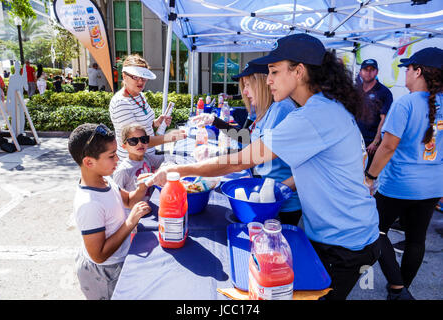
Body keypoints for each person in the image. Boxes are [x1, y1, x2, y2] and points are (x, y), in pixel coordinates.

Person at [150, 33, 380, 300]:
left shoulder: (314, 115)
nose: (268, 79)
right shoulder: (323, 107)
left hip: (345, 242)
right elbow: (317, 168)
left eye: (274, 71)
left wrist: (182, 171)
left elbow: (242, 159)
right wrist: (282, 186)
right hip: (334, 232)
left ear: (299, 71)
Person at [364, 47, 443, 300]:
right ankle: (402, 288)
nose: (405, 74)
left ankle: (398, 287)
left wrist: (370, 177)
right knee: (416, 239)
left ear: (418, 71)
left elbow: (388, 146)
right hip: (433, 186)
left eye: (408, 68)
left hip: (399, 184)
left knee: (374, 231)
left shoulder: (405, 103)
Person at [192, 61, 302, 225]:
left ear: (262, 84)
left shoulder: (281, 109)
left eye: (248, 85)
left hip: (282, 204)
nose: (244, 91)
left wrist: (212, 160)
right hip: (266, 196)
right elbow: (246, 138)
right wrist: (215, 121)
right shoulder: (261, 110)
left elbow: (252, 155)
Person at [68, 123, 153, 300]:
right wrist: (130, 222)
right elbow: (99, 255)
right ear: (89, 162)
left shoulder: (105, 180)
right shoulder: (89, 204)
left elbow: (129, 200)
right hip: (104, 273)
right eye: (111, 156)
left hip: (116, 262)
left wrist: (143, 185)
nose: (117, 160)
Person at [108, 54, 186, 168]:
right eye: (135, 77)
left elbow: (142, 126)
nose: (141, 81)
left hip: (147, 157)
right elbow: (136, 140)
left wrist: (156, 122)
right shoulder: (121, 103)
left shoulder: (139, 95)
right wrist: (170, 137)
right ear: (124, 76)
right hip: (132, 164)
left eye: (144, 77)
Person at [356, 59, 393, 170]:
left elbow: (384, 119)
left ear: (377, 72)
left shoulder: (384, 92)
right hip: (355, 139)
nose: (368, 72)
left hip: (370, 144)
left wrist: (376, 142)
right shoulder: (355, 89)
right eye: (365, 70)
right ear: (360, 72)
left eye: (372, 70)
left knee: (368, 175)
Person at [113, 123, 155, 203]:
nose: (140, 143)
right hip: (134, 212)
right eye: (133, 141)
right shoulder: (123, 170)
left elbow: (168, 160)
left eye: (143, 139)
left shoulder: (147, 158)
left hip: (150, 207)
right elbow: (116, 198)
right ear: (124, 146)